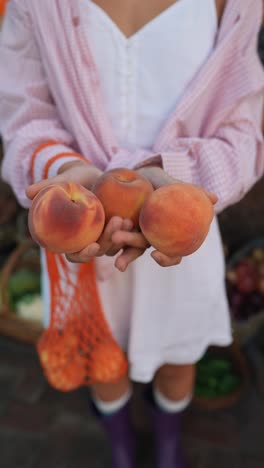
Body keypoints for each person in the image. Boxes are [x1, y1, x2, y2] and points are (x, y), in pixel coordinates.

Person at [0, 1, 264, 467]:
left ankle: (167, 443)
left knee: (179, 359)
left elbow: (243, 133)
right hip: (78, 235)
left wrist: (176, 179)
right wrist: (65, 171)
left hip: (179, 232)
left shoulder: (237, 6)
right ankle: (121, 447)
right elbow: (23, 116)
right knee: (101, 363)